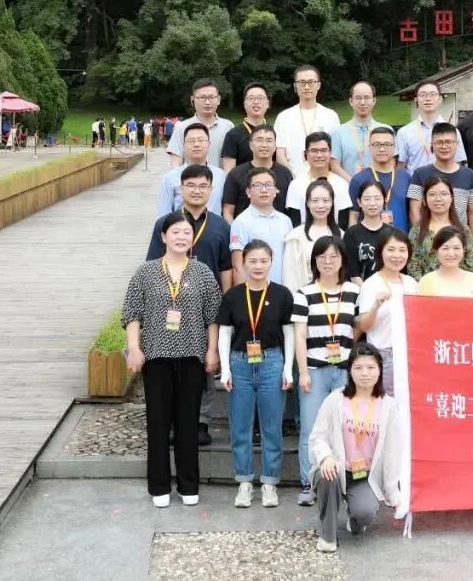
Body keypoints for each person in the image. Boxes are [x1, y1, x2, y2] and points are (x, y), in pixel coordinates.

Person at [122, 212, 222, 508]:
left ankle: (188, 485)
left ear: (192, 238)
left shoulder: (202, 272)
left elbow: (213, 317)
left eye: (186, 232)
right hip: (156, 357)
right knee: (158, 422)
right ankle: (159, 486)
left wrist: (212, 350)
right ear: (163, 237)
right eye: (175, 232)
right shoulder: (146, 272)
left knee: (188, 423)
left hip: (192, 357)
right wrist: (134, 348)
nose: (181, 237)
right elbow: (132, 313)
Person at [147, 164, 233, 446]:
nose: (197, 191)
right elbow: (152, 265)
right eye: (191, 185)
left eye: (203, 186)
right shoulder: (165, 224)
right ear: (181, 189)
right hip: (169, 306)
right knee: (170, 367)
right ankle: (174, 421)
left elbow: (226, 270)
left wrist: (225, 307)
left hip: (204, 308)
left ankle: (201, 421)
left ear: (211, 190)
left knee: (204, 366)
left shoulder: (221, 226)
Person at [215, 240, 295, 509]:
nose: (258, 266)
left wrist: (287, 367)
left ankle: (270, 482)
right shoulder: (233, 296)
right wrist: (225, 368)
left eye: (263, 261)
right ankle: (245, 481)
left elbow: (289, 332)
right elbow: (225, 332)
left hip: (272, 362)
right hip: (240, 364)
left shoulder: (282, 294)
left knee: (272, 425)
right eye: (252, 261)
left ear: (271, 261)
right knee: (240, 425)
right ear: (243, 263)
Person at [308, 343, 404, 553]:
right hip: (336, 468)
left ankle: (355, 520)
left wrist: (392, 490)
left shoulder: (389, 406)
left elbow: (393, 452)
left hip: (364, 476)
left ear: (379, 370)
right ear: (350, 370)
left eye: (371, 367)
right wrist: (326, 457)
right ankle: (328, 536)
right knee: (328, 475)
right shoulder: (336, 399)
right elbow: (317, 437)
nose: (365, 373)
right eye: (358, 367)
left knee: (365, 513)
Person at [293, 235, 360, 507]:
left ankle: (343, 483)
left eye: (334, 256)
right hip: (315, 369)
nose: (328, 261)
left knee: (344, 428)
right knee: (310, 428)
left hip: (344, 371)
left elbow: (357, 328)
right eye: (322, 257)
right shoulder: (304, 293)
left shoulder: (353, 291)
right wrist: (303, 372)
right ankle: (308, 483)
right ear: (315, 261)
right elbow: (300, 335)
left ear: (342, 260)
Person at [357, 228, 418, 395]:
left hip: (409, 354)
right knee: (385, 402)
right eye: (391, 249)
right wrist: (376, 306)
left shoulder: (411, 283)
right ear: (380, 252)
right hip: (383, 354)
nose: (397, 255)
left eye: (402, 250)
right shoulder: (371, 284)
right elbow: (364, 326)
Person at [407, 122, 473, 238]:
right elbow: (414, 210)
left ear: (457, 144)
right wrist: (422, 239)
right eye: (439, 142)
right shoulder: (420, 174)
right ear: (432, 145)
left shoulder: (469, 175)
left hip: (460, 240)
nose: (444, 146)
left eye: (449, 142)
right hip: (429, 240)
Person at [229, 167, 294, 285]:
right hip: (254, 290)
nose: (264, 190)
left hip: (283, 289)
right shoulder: (241, 222)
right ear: (248, 192)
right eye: (258, 185)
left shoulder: (285, 221)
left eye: (268, 185)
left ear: (276, 190)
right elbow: (238, 266)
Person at [275, 64, 342, 176]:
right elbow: (280, 155)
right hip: (293, 178)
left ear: (318, 85)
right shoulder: (283, 117)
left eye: (311, 82)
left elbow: (335, 154)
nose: (306, 87)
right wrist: (294, 178)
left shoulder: (331, 116)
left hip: (324, 180)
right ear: (295, 86)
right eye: (302, 82)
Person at [407, 174, 473, 278]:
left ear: (452, 198)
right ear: (424, 200)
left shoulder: (463, 229)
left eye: (444, 194)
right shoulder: (417, 231)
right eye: (432, 194)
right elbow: (413, 267)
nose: (438, 199)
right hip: (427, 286)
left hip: (459, 285)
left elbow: (470, 263)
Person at [222, 125, 293, 222]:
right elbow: (227, 211)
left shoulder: (285, 173)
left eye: (269, 141)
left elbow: (291, 210)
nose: (264, 145)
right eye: (259, 140)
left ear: (275, 146)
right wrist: (235, 230)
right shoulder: (235, 174)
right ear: (250, 145)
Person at [395, 81, 466, 175]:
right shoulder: (404, 132)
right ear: (416, 100)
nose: (428, 98)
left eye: (433, 94)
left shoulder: (453, 131)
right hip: (414, 183)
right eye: (423, 95)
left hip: (445, 183)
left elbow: (458, 163)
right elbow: (400, 167)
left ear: (440, 99)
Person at [285, 132, 353, 230]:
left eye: (323, 150)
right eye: (314, 151)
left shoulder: (341, 184)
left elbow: (343, 221)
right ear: (305, 154)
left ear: (330, 153)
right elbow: (295, 221)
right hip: (304, 235)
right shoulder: (296, 185)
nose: (319, 155)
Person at [347, 126, 410, 232]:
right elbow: (354, 215)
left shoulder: (405, 177)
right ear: (370, 147)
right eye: (377, 144)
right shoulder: (358, 179)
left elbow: (411, 212)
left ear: (394, 147)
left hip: (401, 239)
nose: (382, 149)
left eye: (387, 144)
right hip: (368, 239)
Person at [282, 180, 341, 293]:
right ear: (307, 203)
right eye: (315, 201)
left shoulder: (342, 235)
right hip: (305, 298)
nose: (320, 205)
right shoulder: (296, 236)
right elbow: (289, 277)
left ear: (332, 202)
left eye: (325, 200)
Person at [157, 123, 228, 216]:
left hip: (214, 225)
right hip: (181, 225)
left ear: (209, 145)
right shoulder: (170, 178)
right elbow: (163, 215)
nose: (196, 144)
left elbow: (227, 211)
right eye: (191, 141)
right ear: (183, 146)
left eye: (201, 140)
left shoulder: (222, 176)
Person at [167, 79, 234, 168]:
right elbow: (176, 163)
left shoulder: (228, 127)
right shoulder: (182, 127)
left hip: (220, 177)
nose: (207, 102)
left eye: (211, 97)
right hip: (190, 177)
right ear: (193, 99)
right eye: (202, 98)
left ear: (218, 99)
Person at [330, 81, 390, 180]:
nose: (362, 102)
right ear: (351, 101)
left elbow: (391, 162)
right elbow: (334, 166)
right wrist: (354, 183)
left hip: (379, 187)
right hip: (348, 186)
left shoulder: (386, 131)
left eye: (367, 98)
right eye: (358, 98)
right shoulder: (338, 133)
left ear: (374, 101)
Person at [344, 181, 393, 285]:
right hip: (360, 290)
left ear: (384, 200)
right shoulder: (351, 234)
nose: (372, 203)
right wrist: (367, 291)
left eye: (377, 198)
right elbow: (353, 274)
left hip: (389, 289)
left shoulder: (393, 233)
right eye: (367, 199)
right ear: (359, 202)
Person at [418, 226, 473, 297]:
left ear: (464, 249)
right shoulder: (426, 281)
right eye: (445, 248)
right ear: (436, 250)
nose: (451, 254)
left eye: (456, 248)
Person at [221, 82, 271, 172]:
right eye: (251, 98)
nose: (256, 102)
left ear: (267, 103)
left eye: (260, 98)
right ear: (244, 104)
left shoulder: (274, 133)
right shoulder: (232, 135)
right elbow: (229, 172)